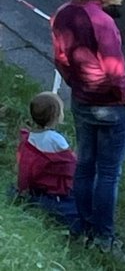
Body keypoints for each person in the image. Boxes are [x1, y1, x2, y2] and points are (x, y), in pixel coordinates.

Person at [51, 0, 125, 258]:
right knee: (109, 172)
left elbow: (60, 58)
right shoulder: (103, 22)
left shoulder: (62, 14)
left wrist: (76, 84)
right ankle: (104, 235)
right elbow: (115, 72)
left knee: (84, 165)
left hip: (82, 99)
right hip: (110, 105)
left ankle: (82, 224)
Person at [15, 91, 78, 227]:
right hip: (56, 188)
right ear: (56, 117)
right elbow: (70, 163)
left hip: (37, 186)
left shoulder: (30, 137)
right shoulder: (56, 139)